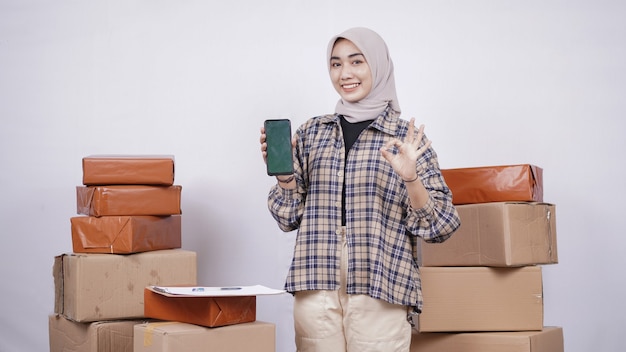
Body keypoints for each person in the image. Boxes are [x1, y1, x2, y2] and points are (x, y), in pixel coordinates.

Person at [259, 27, 460, 352]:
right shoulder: (313, 133)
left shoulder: (404, 138)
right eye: (336, 64)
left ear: (378, 66)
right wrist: (284, 178)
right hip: (315, 284)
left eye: (357, 62)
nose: (345, 73)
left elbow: (442, 226)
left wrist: (411, 179)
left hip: (380, 284)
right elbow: (287, 217)